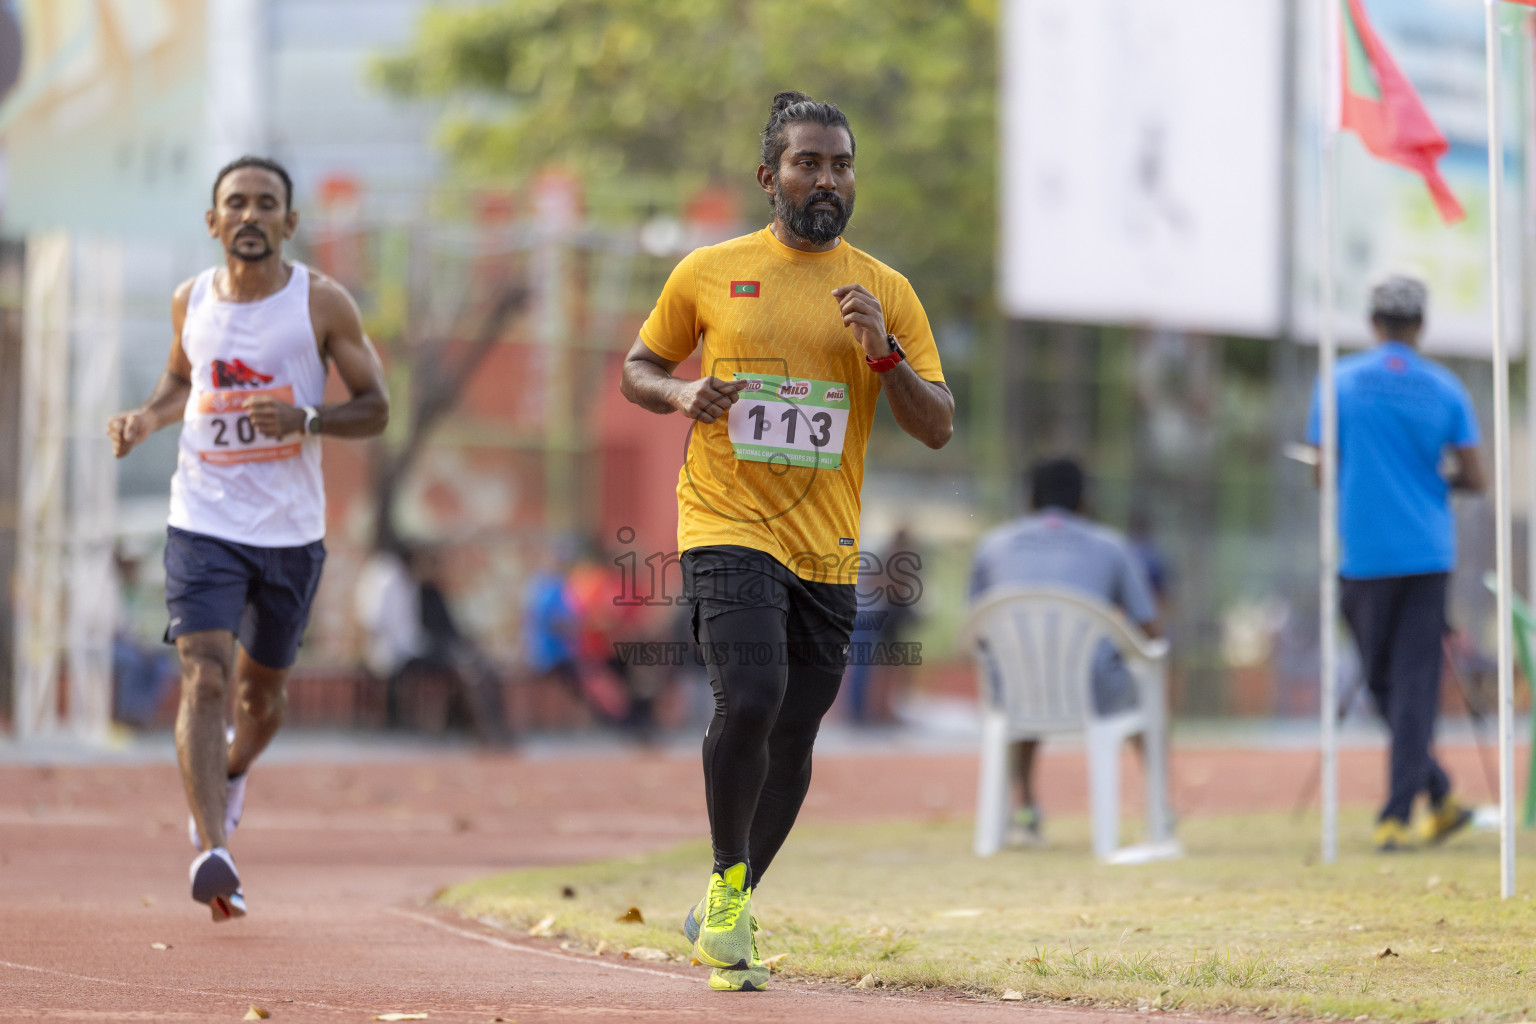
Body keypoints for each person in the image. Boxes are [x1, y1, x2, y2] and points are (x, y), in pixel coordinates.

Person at [619, 91, 952, 991]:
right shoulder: (709, 271)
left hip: (827, 545)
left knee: (799, 729)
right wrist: (683, 396)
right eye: (808, 162)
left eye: (841, 164)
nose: (827, 179)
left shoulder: (887, 292)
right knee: (754, 693)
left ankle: (729, 902)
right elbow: (639, 367)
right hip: (725, 521)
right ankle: (730, 893)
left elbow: (938, 425)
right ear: (770, 177)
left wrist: (883, 354)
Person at [107, 156, 389, 921]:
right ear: (214, 221)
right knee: (203, 672)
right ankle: (210, 847)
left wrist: (311, 420)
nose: (251, 215)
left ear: (290, 223)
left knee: (260, 696)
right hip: (202, 518)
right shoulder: (189, 300)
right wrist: (146, 418)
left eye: (268, 204)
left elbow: (377, 407)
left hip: (290, 533)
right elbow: (178, 381)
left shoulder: (322, 304)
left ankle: (230, 773)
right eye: (237, 203)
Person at [1308, 274, 1485, 852]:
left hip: (1364, 555)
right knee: (1407, 684)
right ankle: (1436, 794)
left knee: (1384, 681)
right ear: (1422, 326)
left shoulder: (1339, 381)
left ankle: (1395, 812)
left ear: (1372, 322)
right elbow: (1475, 477)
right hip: (1429, 552)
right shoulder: (1445, 387)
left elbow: (1322, 469)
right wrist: (1433, 474)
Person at [969, 458, 1162, 846]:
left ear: (1028, 500)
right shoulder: (1112, 546)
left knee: (1025, 667)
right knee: (1149, 687)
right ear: (1085, 500)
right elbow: (1150, 629)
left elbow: (978, 633)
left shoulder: (992, 546)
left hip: (1014, 695)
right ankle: (1160, 810)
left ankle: (1025, 810)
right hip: (1095, 695)